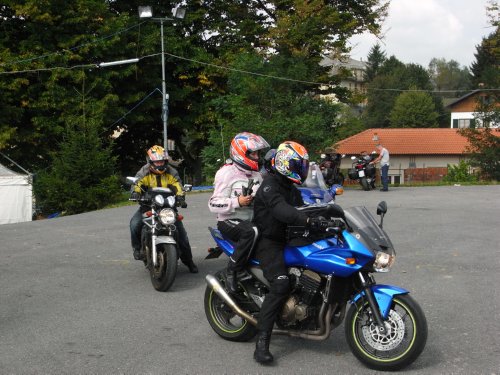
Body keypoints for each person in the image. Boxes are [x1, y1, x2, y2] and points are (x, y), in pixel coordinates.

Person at [251, 141, 314, 364]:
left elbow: (306, 206)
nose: (303, 169)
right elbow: (283, 210)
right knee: (280, 284)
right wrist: (306, 219)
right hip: (268, 241)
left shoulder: (291, 188)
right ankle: (262, 343)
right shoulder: (269, 186)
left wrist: (328, 215)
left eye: (304, 165)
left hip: (288, 239)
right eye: (299, 165)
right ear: (285, 164)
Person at [208, 132, 270, 293]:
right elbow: (213, 204)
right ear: (241, 153)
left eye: (258, 153)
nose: (257, 157)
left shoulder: (257, 175)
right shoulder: (226, 173)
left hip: (250, 219)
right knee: (252, 231)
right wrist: (237, 202)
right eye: (253, 153)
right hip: (229, 220)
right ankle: (233, 270)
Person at [130, 145, 198, 273]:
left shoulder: (171, 172)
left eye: (161, 161)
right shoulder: (144, 171)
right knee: (134, 224)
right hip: (148, 206)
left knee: (182, 235)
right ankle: (138, 249)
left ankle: (189, 261)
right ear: (151, 161)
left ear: (165, 161)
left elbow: (178, 185)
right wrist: (135, 192)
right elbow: (137, 184)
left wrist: (180, 197)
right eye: (157, 161)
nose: (159, 164)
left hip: (168, 208)